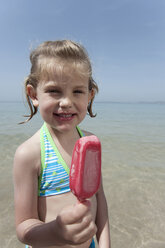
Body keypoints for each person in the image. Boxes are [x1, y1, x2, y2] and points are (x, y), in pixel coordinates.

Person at [13, 40, 110, 248]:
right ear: (33, 95)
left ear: (90, 95)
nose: (66, 102)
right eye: (54, 91)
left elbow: (99, 197)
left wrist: (104, 243)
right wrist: (55, 232)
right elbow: (23, 227)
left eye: (77, 91)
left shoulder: (89, 143)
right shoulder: (29, 154)